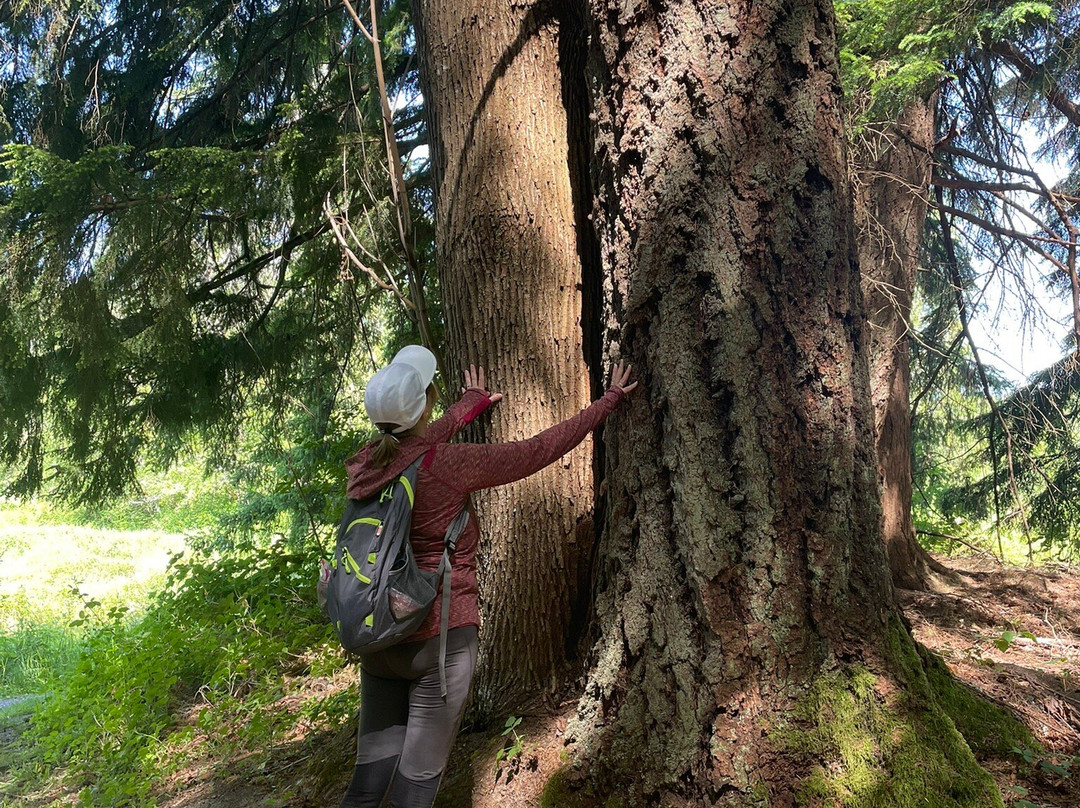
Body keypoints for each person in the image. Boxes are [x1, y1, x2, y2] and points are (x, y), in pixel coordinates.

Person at [335, 344, 636, 808]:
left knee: (366, 788)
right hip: (440, 644)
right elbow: (536, 451)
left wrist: (469, 404)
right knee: (415, 788)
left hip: (380, 643)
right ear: (426, 400)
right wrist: (608, 401)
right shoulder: (448, 465)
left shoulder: (365, 464)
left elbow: (415, 443)